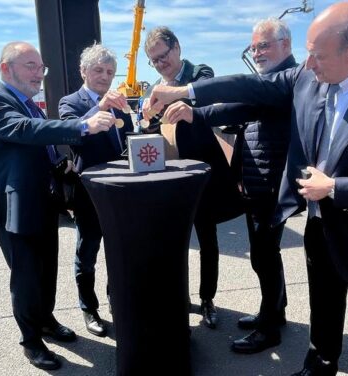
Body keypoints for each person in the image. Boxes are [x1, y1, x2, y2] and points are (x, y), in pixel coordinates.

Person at [146, 2, 348, 374]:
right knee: (323, 305)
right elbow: (249, 88)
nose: (308, 63)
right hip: (319, 225)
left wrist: (336, 187)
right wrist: (186, 92)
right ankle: (319, 365)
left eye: (317, 55)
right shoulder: (306, 78)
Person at [0, 41, 119, 370]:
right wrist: (84, 124)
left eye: (41, 68)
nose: (38, 74)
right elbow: (26, 131)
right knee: (26, 278)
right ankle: (31, 340)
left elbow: (40, 145)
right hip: (16, 209)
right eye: (30, 66)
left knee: (46, 272)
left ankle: (46, 321)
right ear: (4, 68)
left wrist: (59, 165)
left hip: (43, 203)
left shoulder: (31, 104)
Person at [163, 17, 299, 354]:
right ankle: (275, 311)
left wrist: (186, 93)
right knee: (266, 255)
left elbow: (239, 89)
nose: (257, 52)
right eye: (253, 47)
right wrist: (195, 114)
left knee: (264, 256)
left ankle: (269, 330)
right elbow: (238, 107)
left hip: (271, 185)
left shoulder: (285, 79)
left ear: (286, 45)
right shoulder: (269, 82)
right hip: (260, 183)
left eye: (264, 45)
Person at [143, 26, 242, 329]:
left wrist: (166, 97)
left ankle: (208, 298)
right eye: (154, 61)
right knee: (174, 242)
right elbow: (147, 128)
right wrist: (146, 115)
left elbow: (204, 97)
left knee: (208, 240)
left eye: (163, 56)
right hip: (169, 177)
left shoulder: (198, 72)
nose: (161, 64)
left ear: (176, 48)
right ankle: (178, 297)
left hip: (202, 176)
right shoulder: (154, 88)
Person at [58, 44, 133, 337]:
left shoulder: (117, 101)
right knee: (87, 251)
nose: (105, 77)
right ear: (83, 71)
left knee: (118, 251)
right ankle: (89, 308)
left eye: (110, 72)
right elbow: (71, 134)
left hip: (118, 191)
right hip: (88, 193)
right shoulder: (71, 102)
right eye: (99, 70)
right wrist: (99, 108)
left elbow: (124, 142)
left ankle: (116, 300)